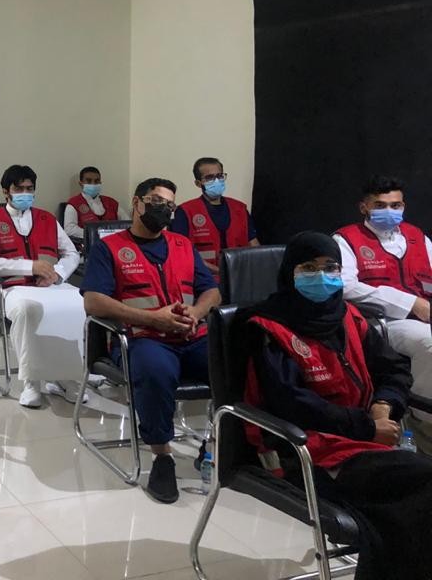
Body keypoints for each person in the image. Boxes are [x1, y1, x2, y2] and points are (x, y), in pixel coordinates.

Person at [240, 231, 432, 580]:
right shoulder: (267, 327)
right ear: (289, 272)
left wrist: (383, 406)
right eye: (309, 268)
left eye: (330, 267)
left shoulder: (349, 317)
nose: (322, 276)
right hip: (308, 451)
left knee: (410, 503)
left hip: (365, 443)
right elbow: (291, 404)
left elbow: (393, 369)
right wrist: (367, 427)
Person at [83, 177, 220, 503]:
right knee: (156, 370)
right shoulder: (109, 248)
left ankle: (214, 444)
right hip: (142, 338)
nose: (165, 210)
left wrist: (197, 312)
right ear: (137, 203)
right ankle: (162, 457)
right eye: (158, 202)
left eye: (170, 205)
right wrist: (152, 318)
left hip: (191, 336)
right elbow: (93, 302)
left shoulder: (182, 245)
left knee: (234, 364)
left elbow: (211, 291)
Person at [333, 174, 432, 451]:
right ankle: (425, 420)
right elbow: (346, 286)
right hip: (380, 320)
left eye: (395, 205)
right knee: (428, 341)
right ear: (364, 207)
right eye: (380, 205)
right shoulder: (346, 239)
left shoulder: (417, 237)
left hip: (424, 313)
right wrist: (410, 304)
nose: (389, 211)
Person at [0, 165, 84, 409]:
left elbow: (72, 253)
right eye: (19, 188)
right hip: (9, 287)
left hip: (49, 285)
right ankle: (32, 383)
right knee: (28, 310)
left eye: (30, 188)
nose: (25, 193)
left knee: (80, 303)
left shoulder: (47, 219)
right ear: (6, 191)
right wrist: (31, 267)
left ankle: (66, 377)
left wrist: (57, 274)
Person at [171, 157, 259, 280]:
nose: (216, 181)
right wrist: (221, 272)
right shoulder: (185, 211)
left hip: (240, 277)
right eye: (209, 178)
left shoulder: (239, 208)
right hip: (204, 279)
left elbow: (254, 245)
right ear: (198, 183)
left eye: (219, 176)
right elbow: (181, 253)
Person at [63, 166, 129, 245]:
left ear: (100, 183)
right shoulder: (74, 203)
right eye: (88, 181)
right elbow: (69, 229)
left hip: (114, 243)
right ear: (81, 183)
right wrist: (96, 234)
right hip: (88, 244)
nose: (93, 184)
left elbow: (128, 224)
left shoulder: (112, 203)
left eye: (96, 181)